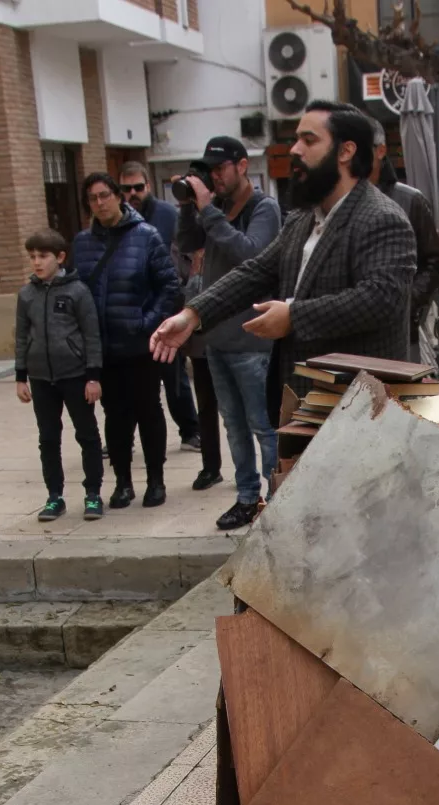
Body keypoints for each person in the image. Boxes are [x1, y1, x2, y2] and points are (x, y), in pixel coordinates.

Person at [150, 101, 416, 429]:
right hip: (304, 401)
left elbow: (380, 299)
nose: (295, 149)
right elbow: (257, 271)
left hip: (359, 409)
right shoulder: (302, 218)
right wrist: (192, 315)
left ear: (345, 151)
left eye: (309, 140)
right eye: (296, 139)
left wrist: (293, 316)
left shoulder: (383, 218)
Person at [175, 135, 285, 531]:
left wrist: (208, 211)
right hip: (217, 339)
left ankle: (277, 500)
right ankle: (246, 498)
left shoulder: (264, 207)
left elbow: (251, 255)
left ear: (241, 165)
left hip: (253, 340)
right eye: (209, 170)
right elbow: (187, 243)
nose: (215, 177)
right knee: (233, 427)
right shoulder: (215, 209)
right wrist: (189, 206)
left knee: (263, 426)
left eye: (220, 168)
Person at [71, 172, 181, 509]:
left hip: (140, 345)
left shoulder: (146, 236)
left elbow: (170, 286)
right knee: (115, 417)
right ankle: (122, 483)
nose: (100, 203)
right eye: (93, 198)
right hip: (104, 348)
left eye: (105, 195)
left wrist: (147, 323)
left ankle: (156, 481)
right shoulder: (82, 243)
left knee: (148, 411)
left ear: (118, 196)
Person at [14, 228, 104, 521]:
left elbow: (91, 335)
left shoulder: (78, 291)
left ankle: (93, 494)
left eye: (43, 256)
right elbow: (21, 336)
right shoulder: (26, 294)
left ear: (60, 257)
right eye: (32, 257)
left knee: (87, 435)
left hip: (75, 375)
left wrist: (93, 376)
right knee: (49, 438)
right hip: (41, 378)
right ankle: (54, 496)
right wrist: (20, 376)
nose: (37, 262)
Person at [120, 161, 200, 455]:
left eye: (137, 187)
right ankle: (123, 436)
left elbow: (186, 255)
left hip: (166, 307)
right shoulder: (117, 220)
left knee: (173, 374)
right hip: (130, 311)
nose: (132, 193)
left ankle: (190, 431)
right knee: (129, 382)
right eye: (126, 188)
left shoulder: (167, 215)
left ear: (148, 186)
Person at [367, 118, 439, 363]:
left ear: (380, 151)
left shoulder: (410, 200)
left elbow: (434, 261)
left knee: (400, 387)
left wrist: (409, 300)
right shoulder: (335, 202)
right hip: (353, 334)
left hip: (401, 332)